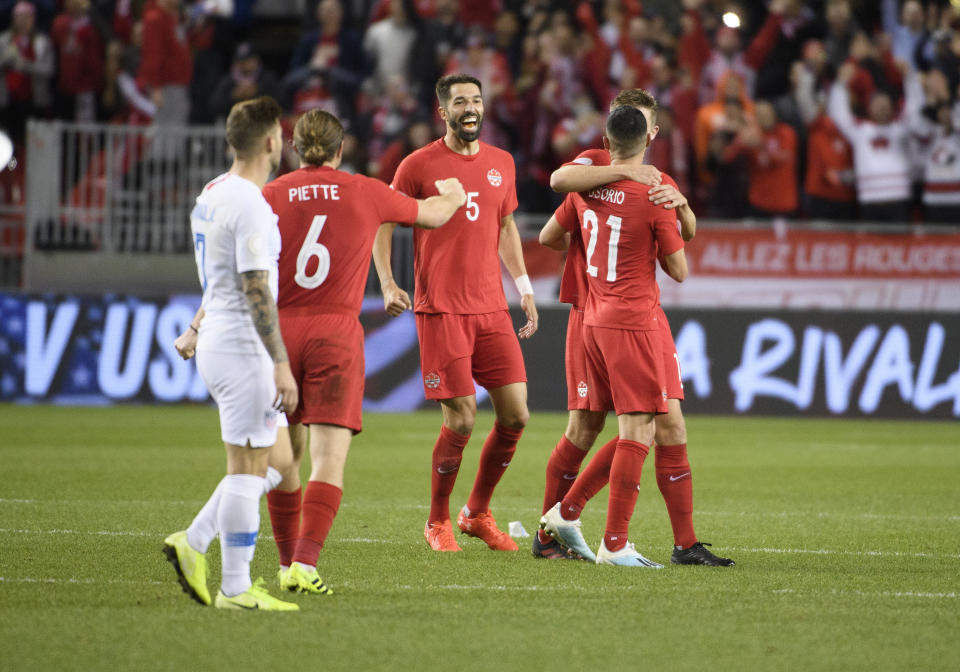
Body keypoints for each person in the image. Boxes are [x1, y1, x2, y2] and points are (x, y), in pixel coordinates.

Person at [259, 109, 466, 594]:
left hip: (278, 333)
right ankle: (305, 564)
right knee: (328, 459)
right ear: (340, 148)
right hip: (335, 332)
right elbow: (432, 215)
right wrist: (454, 194)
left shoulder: (271, 194)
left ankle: (287, 560)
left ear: (293, 146)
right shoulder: (364, 190)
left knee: (285, 457)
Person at [539, 88, 734, 567]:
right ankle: (575, 529)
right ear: (641, 134)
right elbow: (681, 266)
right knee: (608, 426)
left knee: (666, 422)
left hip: (620, 315)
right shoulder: (602, 172)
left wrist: (681, 206)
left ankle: (683, 543)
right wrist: (639, 193)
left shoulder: (608, 185)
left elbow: (550, 233)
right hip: (615, 315)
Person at [373, 73, 538, 553]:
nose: (471, 108)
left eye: (477, 101)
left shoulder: (501, 163)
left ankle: (476, 513)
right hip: (442, 309)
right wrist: (386, 281)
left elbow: (505, 225)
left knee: (517, 415)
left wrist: (523, 286)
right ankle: (437, 521)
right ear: (442, 112)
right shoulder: (417, 165)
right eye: (460, 102)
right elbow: (385, 221)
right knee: (462, 419)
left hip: (491, 308)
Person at [162, 96, 300, 611]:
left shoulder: (212, 194)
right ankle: (236, 588)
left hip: (218, 337)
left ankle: (194, 539)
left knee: (280, 459)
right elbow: (254, 288)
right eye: (280, 136)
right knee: (246, 467)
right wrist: (280, 363)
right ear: (270, 141)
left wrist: (196, 325)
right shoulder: (251, 205)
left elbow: (217, 277)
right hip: (245, 349)